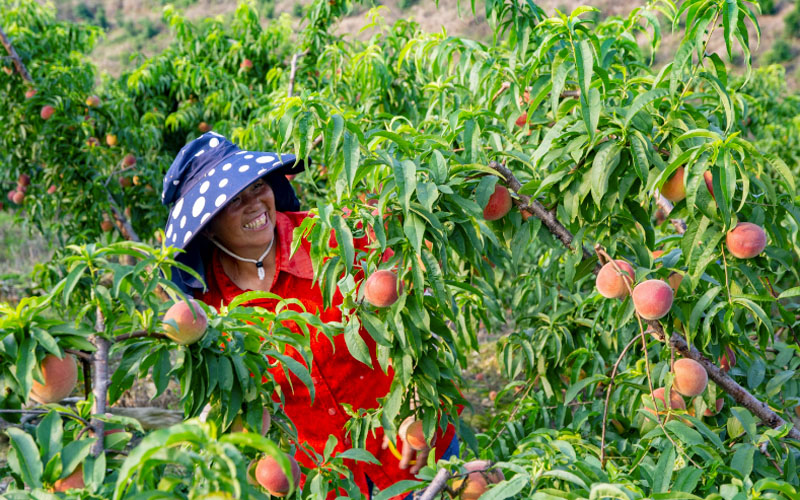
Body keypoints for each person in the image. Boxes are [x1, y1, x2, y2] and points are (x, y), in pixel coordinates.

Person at [161, 132, 458, 499]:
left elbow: (417, 300)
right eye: (234, 200)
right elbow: (231, 396)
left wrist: (420, 402)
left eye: (257, 187)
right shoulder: (209, 310)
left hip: (408, 447)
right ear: (206, 227)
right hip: (325, 479)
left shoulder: (331, 237)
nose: (255, 203)